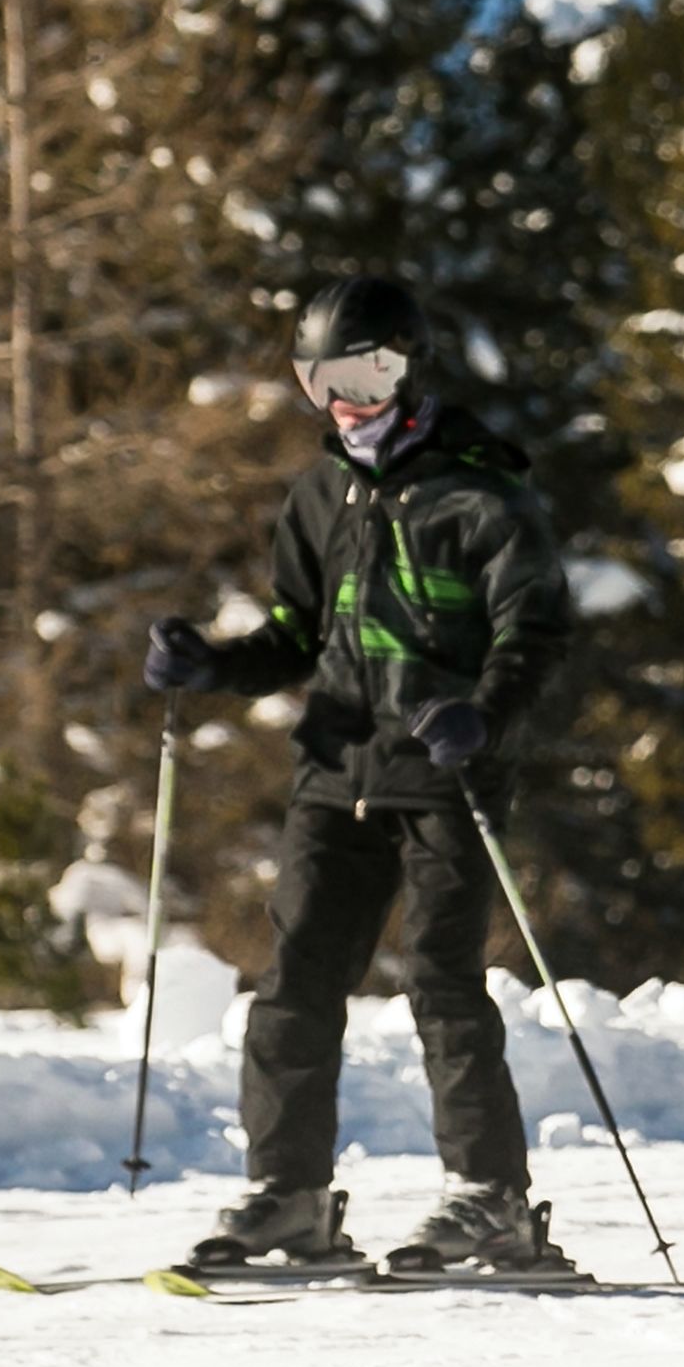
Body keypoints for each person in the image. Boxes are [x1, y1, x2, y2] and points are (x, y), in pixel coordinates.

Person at [140, 276, 572, 1274]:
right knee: (293, 983)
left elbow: (534, 630)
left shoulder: (482, 492)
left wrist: (482, 712)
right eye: (320, 378)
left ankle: (489, 1200)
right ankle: (290, 1196)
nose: (345, 401)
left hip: (447, 773)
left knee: (442, 983)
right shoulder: (319, 492)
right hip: (336, 770)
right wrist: (211, 663)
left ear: (411, 368)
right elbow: (296, 635)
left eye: (367, 374)